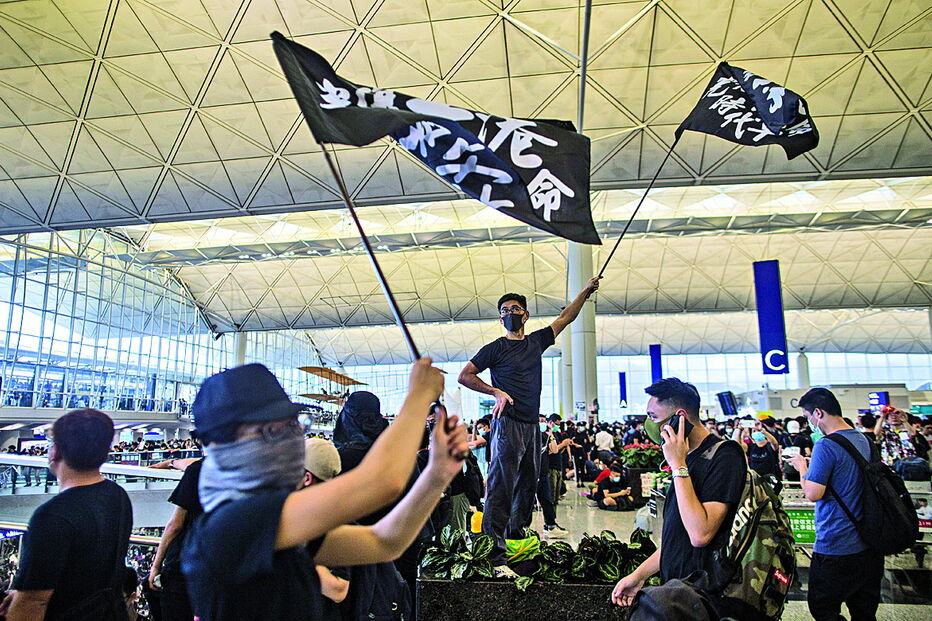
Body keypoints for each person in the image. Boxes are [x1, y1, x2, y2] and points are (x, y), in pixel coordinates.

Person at [181, 360, 467, 621]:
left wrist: (437, 474)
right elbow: (381, 482)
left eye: (293, 426)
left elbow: (385, 541)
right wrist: (418, 399)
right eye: (271, 432)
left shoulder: (277, 529)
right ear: (218, 445)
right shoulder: (234, 524)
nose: (290, 439)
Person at [458, 277, 600, 576]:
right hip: (507, 425)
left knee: (528, 485)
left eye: (516, 308)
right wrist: (495, 391)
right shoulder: (494, 349)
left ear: (526, 314)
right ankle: (494, 555)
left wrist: (585, 292)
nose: (511, 312)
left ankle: (516, 540)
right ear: (500, 318)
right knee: (500, 488)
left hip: (531, 427)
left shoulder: (536, 341)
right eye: (505, 309)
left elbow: (566, 317)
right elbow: (466, 375)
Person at [611, 378, 746, 612]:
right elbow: (678, 538)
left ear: (679, 417)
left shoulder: (725, 457)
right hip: (678, 594)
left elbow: (700, 533)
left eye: (653, 417)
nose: (649, 425)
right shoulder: (687, 457)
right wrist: (638, 576)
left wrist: (678, 465)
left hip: (706, 600)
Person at [1, 409, 133, 620]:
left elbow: (34, 601)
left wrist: (22, 600)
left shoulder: (52, 516)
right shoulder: (117, 495)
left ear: (55, 452)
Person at [785, 387, 883, 621]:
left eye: (808, 417)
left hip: (837, 544)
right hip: (870, 542)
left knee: (823, 607)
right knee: (864, 611)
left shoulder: (825, 445)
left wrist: (802, 467)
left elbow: (813, 493)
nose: (809, 422)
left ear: (818, 413)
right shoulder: (864, 440)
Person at [147, 448, 203, 621]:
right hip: (220, 565)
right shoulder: (251, 469)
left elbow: (175, 525)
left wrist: (156, 566)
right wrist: (170, 463)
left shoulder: (199, 470)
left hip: (185, 562)